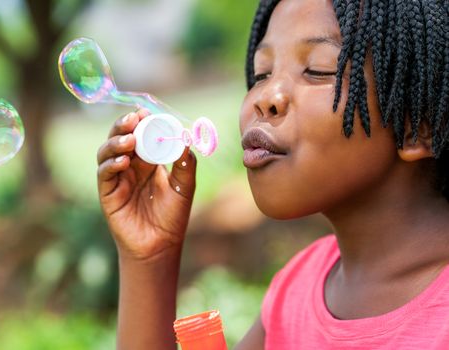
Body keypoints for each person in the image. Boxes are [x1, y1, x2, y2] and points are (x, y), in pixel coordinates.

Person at [96, 0, 449, 348]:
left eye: (317, 69)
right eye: (262, 73)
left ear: (419, 126)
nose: (265, 96)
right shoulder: (295, 291)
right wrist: (149, 256)